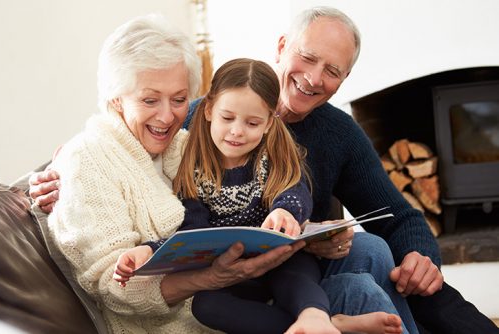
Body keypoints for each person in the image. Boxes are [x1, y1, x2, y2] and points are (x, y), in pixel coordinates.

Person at [30, 6, 498, 334]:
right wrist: (51, 170)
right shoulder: (199, 122)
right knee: (363, 272)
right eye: (308, 58)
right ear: (281, 46)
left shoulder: (336, 132)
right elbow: (116, 144)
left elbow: (396, 214)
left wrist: (420, 255)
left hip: (295, 258)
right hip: (235, 275)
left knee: (380, 252)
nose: (315, 77)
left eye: (332, 71)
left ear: (345, 80)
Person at [42, 14, 308, 334]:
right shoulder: (85, 161)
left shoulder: (186, 145)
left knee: (361, 262)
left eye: (179, 99)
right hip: (174, 325)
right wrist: (210, 278)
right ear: (115, 97)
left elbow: (260, 187)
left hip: (247, 301)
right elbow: (112, 287)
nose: (168, 116)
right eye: (150, 100)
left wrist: (293, 223)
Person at [113, 57, 406, 334]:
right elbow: (191, 231)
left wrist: (285, 212)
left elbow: (295, 192)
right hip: (233, 274)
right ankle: (334, 324)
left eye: (252, 123)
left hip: (280, 261)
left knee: (295, 271)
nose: (237, 132)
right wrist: (150, 250)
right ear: (208, 110)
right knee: (205, 305)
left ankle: (313, 315)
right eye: (227, 118)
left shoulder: (272, 158)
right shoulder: (193, 168)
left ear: (268, 123)